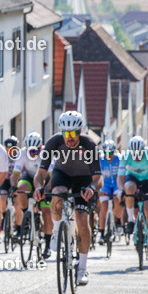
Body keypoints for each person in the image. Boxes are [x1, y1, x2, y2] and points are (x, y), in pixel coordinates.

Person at [35, 111, 101, 285]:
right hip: (62, 174)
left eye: (73, 133)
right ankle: (57, 231)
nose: (69, 138)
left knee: (81, 218)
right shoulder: (54, 142)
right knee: (57, 193)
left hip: (84, 179)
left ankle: (82, 268)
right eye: (66, 133)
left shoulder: (89, 144)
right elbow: (40, 174)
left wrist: (92, 188)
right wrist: (39, 187)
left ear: (80, 131)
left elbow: (98, 178)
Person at [117, 136, 148, 259]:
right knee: (129, 188)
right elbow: (120, 177)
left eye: (139, 154)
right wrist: (121, 190)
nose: (137, 157)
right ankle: (131, 220)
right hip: (132, 178)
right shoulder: (126, 156)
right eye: (134, 154)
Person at [12, 131, 51, 242]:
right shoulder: (22, 153)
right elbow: (15, 175)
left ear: (40, 147)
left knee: (46, 212)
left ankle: (48, 243)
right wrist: (13, 186)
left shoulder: (47, 153)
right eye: (30, 151)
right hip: (29, 178)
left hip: (45, 180)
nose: (32, 154)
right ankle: (27, 216)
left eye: (35, 151)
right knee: (20, 189)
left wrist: (46, 189)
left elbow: (53, 176)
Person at [98, 139, 123, 240]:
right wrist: (99, 190)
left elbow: (124, 174)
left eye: (111, 153)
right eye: (106, 153)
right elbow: (97, 175)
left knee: (117, 199)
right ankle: (101, 233)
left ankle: (118, 221)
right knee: (104, 206)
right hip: (105, 185)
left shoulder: (119, 159)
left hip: (117, 184)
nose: (108, 155)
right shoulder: (100, 160)